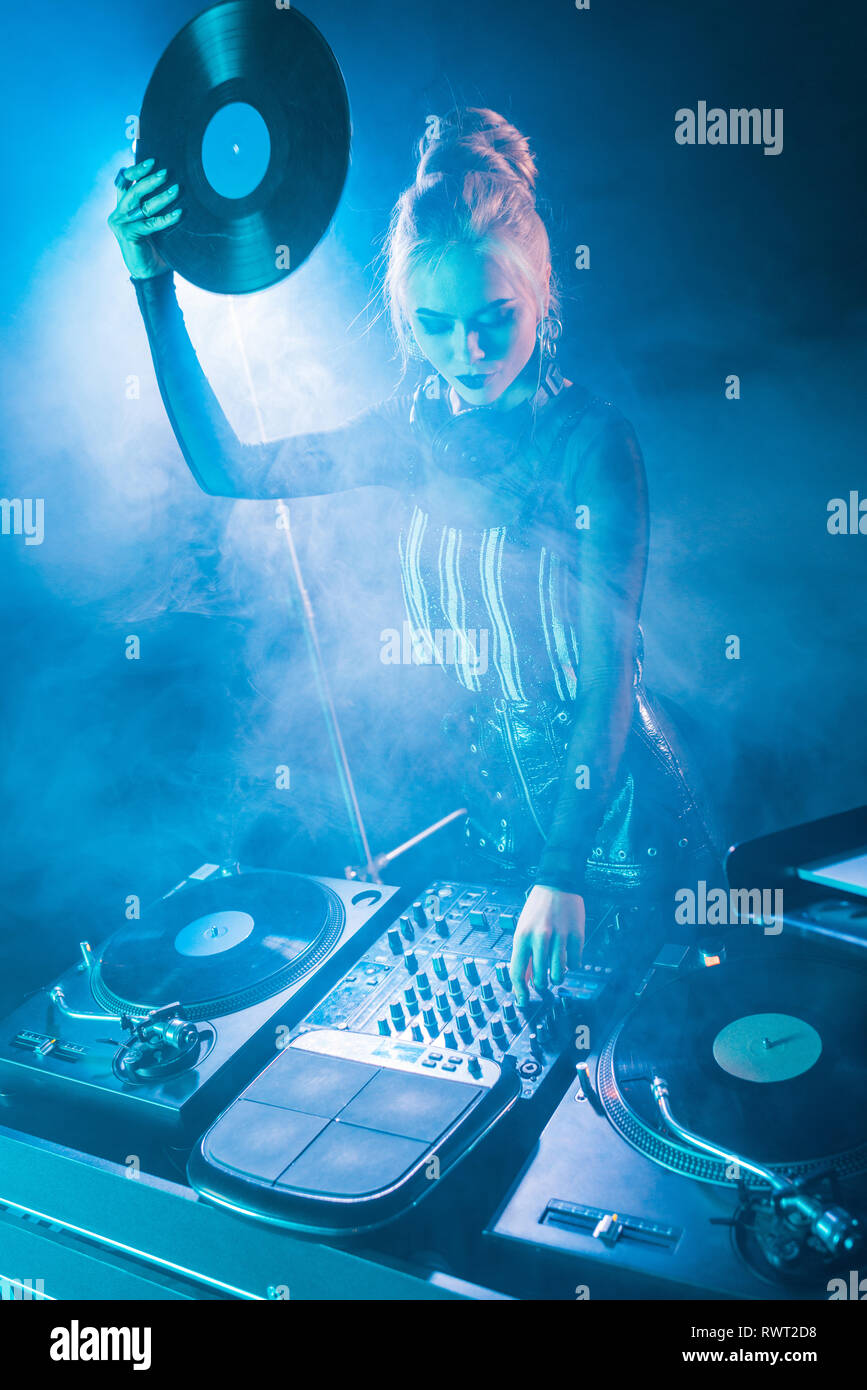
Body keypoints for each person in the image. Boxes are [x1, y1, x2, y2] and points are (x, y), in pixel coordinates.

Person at [109, 107, 722, 1008]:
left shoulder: (592, 444)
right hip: (499, 841)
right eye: (433, 325)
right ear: (402, 316)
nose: (465, 353)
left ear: (541, 294)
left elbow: (607, 675)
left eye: (493, 318)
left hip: (623, 838)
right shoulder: (404, 437)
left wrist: (564, 872)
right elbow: (226, 468)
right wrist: (149, 279)